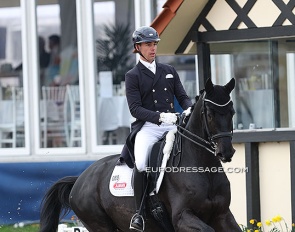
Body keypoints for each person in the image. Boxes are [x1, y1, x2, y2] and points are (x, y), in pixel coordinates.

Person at [119, 26, 193, 231]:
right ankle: (139, 213)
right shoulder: (133, 75)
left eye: (154, 44)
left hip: (172, 125)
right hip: (150, 127)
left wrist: (189, 109)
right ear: (138, 47)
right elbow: (135, 109)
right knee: (142, 163)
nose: (153, 48)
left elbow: (183, 97)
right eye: (148, 45)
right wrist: (159, 116)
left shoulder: (169, 71)